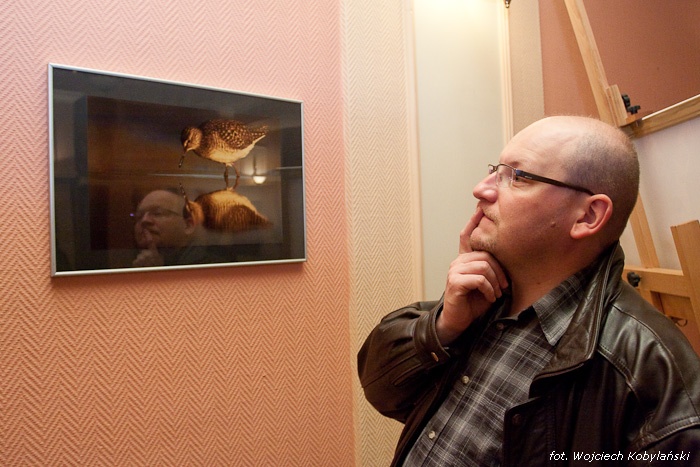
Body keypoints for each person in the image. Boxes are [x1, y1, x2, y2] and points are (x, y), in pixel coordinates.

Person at [358, 116, 700, 466]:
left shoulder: (648, 374)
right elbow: (381, 391)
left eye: (518, 177)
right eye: (495, 171)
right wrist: (443, 326)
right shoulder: (483, 300)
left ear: (588, 216)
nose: (481, 189)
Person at [131, 188, 220, 267]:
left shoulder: (212, 267)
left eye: (157, 213)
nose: (144, 220)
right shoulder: (128, 261)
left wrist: (158, 273)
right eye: (139, 216)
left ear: (188, 225)